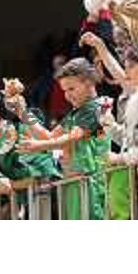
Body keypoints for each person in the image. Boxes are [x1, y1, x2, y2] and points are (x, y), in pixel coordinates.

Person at [80, 34, 138, 219]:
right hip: (132, 183)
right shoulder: (135, 100)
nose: (126, 71)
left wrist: (121, 158)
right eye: (126, 66)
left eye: (131, 66)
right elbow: (128, 139)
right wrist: (110, 126)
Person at [17, 58, 111, 220]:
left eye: (71, 89)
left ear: (89, 82)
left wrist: (40, 146)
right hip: (73, 180)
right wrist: (22, 112)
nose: (67, 96)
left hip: (91, 181)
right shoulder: (75, 112)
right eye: (64, 91)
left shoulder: (95, 107)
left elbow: (74, 137)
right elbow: (50, 136)